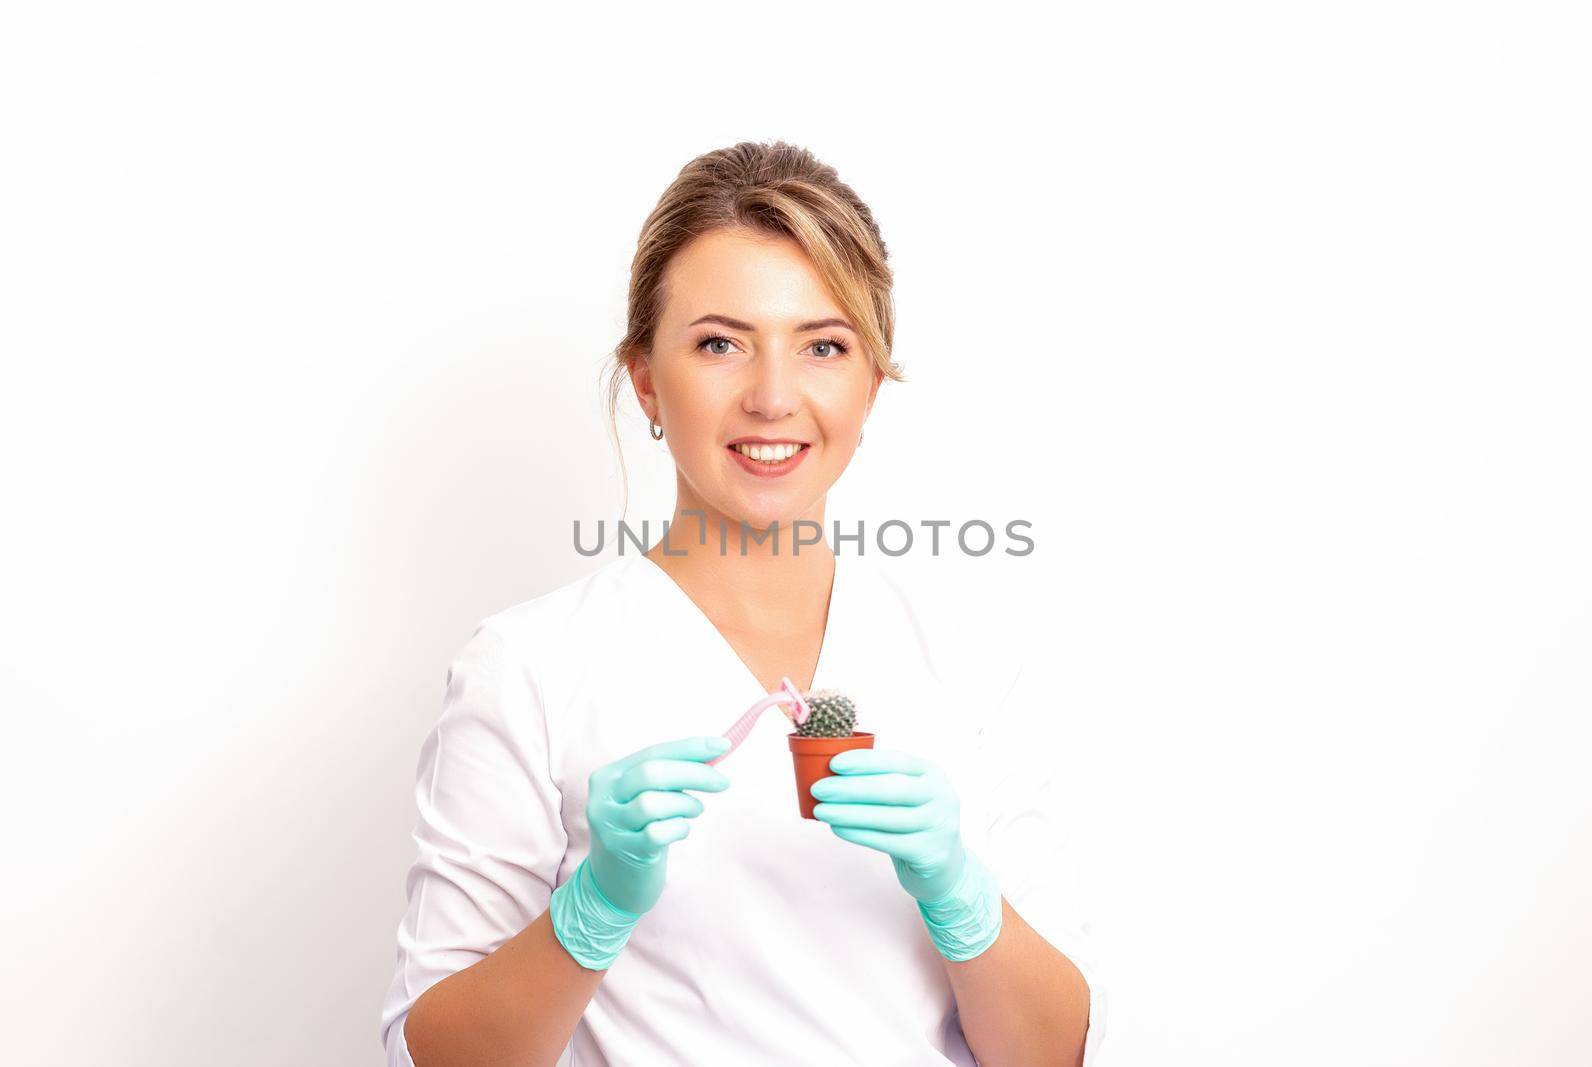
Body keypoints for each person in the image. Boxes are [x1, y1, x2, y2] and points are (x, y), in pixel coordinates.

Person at [380, 140, 1106, 1066]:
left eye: (824, 346)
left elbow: (1057, 1054)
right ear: (645, 377)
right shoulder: (529, 669)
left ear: (871, 382)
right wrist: (591, 911)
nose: (772, 397)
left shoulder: (964, 659)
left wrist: (960, 895)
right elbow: (430, 1054)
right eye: (720, 343)